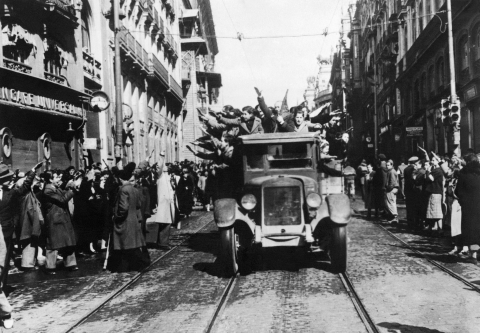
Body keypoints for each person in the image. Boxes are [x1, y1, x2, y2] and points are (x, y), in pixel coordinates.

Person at [108, 162, 150, 272]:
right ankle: (133, 265)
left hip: (124, 221)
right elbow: (137, 205)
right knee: (131, 246)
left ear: (120, 178)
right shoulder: (133, 189)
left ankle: (139, 264)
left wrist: (116, 217)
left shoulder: (123, 190)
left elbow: (123, 208)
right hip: (133, 220)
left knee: (124, 246)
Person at [42, 170, 81, 274]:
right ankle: (50, 267)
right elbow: (63, 199)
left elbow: (64, 193)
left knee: (68, 242)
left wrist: (71, 186)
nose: (59, 179)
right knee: (53, 244)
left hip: (62, 218)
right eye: (57, 177)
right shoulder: (47, 190)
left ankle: (71, 264)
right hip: (54, 219)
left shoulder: (55, 188)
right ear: (50, 179)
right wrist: (72, 189)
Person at [146, 152, 177, 250]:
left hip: (168, 203)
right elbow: (159, 166)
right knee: (165, 223)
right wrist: (162, 157)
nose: (167, 167)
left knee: (167, 223)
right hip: (163, 204)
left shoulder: (167, 176)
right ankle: (163, 243)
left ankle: (162, 242)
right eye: (165, 166)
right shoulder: (160, 176)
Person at [455, 153, 480, 265]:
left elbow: (458, 191)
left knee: (470, 230)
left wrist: (462, 200)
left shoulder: (463, 175)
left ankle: (473, 255)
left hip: (469, 207)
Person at [424, 155, 445, 235]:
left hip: (435, 192)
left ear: (437, 161)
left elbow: (431, 179)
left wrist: (427, 171)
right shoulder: (436, 170)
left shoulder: (438, 170)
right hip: (434, 192)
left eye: (433, 160)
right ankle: (436, 227)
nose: (432, 162)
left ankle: (440, 229)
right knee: (434, 211)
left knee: (437, 211)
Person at [403, 156, 419, 229]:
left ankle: (410, 222)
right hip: (414, 190)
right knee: (415, 207)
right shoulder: (415, 169)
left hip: (407, 190)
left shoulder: (406, 169)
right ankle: (415, 222)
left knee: (409, 207)